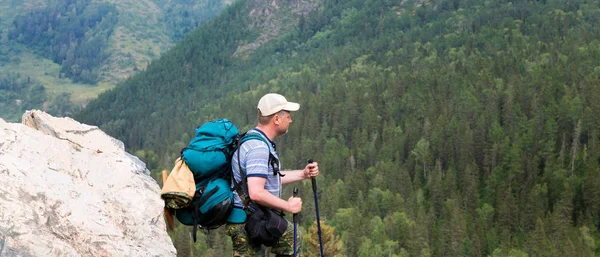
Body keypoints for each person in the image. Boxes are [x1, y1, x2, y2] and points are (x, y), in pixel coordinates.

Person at [225, 93, 320, 257]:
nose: (290, 120)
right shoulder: (259, 148)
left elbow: (269, 178)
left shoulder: (255, 139)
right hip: (245, 219)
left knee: (291, 236)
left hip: (250, 216)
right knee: (291, 237)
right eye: (288, 116)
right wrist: (288, 206)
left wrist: (303, 174)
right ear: (276, 119)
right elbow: (256, 192)